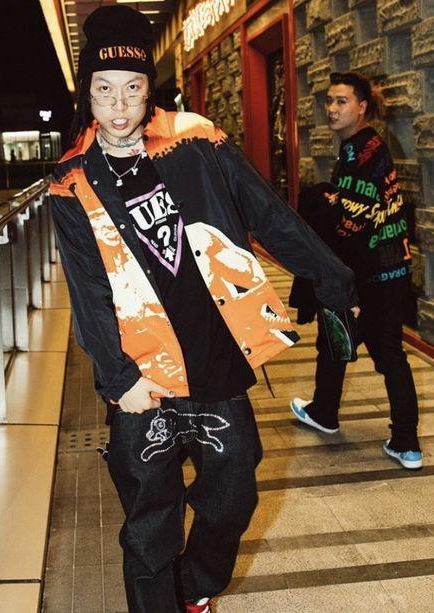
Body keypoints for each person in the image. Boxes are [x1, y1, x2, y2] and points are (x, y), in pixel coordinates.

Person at [50, 7, 357, 612]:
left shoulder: (196, 140)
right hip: (145, 371)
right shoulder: (71, 180)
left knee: (234, 492)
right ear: (87, 93)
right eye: (104, 90)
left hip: (215, 355)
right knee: (149, 519)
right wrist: (118, 377)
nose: (118, 107)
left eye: (132, 88)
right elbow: (88, 290)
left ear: (149, 88)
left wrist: (333, 278)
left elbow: (267, 213)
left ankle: (194, 586)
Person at [289, 72, 422, 470]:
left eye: (341, 101)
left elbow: (352, 220)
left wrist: (322, 200)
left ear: (362, 107)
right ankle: (392, 438)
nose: (331, 109)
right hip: (388, 269)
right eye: (329, 101)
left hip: (371, 272)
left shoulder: (364, 151)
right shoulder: (361, 147)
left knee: (364, 345)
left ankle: (399, 438)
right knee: (348, 344)